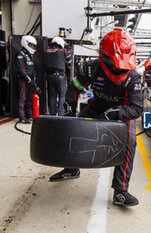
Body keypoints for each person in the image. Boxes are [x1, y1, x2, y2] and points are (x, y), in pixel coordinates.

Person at [49, 28, 142, 207]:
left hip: (122, 112)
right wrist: (69, 110)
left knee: (130, 142)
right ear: (104, 58)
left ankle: (120, 192)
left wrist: (115, 114)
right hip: (97, 106)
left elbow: (136, 108)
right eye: (116, 65)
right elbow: (74, 88)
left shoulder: (134, 77)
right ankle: (71, 169)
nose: (120, 70)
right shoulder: (90, 68)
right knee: (73, 128)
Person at [16, 35, 39, 123]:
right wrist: (28, 79)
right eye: (31, 45)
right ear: (26, 44)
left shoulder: (30, 55)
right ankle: (22, 117)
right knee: (23, 98)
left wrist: (33, 81)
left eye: (33, 45)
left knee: (29, 99)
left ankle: (29, 115)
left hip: (30, 81)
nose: (32, 47)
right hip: (23, 80)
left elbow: (32, 69)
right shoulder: (20, 55)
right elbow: (21, 70)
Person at [45, 36, 67, 116]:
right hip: (60, 76)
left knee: (52, 96)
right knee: (62, 96)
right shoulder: (62, 51)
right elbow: (69, 54)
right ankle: (61, 114)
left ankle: (52, 114)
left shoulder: (46, 51)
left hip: (49, 76)